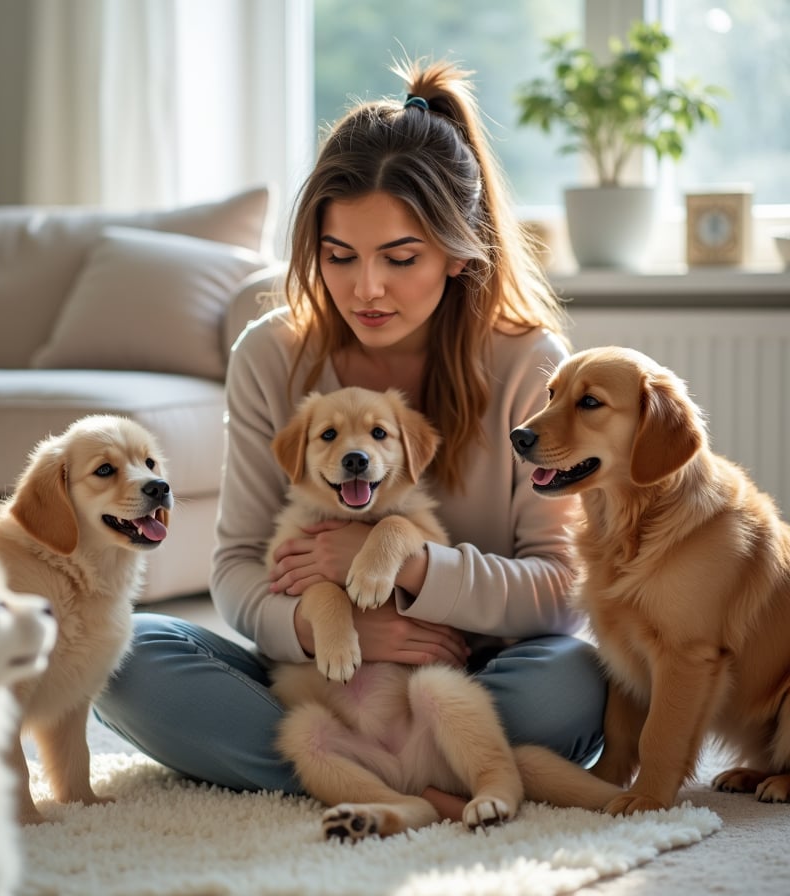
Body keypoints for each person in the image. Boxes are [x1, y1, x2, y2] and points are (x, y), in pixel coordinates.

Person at [94, 58, 606, 808]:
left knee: (573, 684)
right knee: (124, 653)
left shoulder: (530, 364)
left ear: (460, 252)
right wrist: (325, 626)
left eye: (401, 259)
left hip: (469, 676)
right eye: (340, 257)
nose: (366, 288)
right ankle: (425, 777)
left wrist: (411, 571)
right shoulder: (271, 353)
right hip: (325, 682)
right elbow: (236, 567)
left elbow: (562, 591)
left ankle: (354, 775)